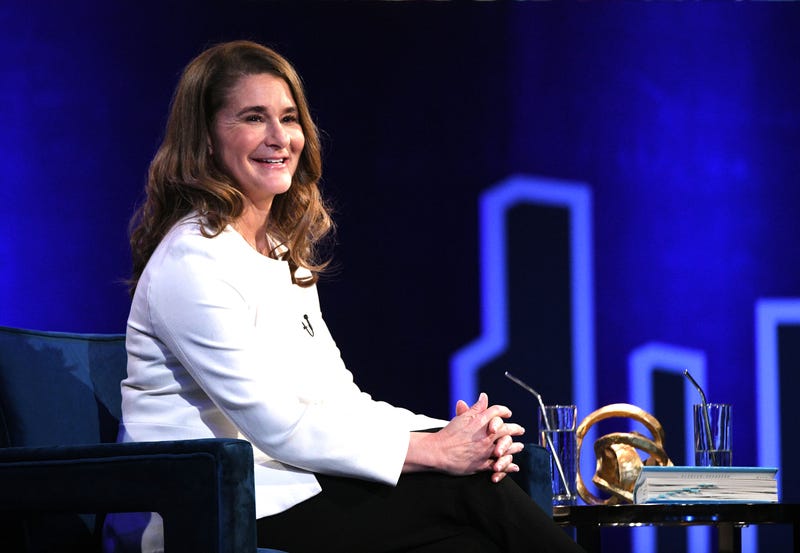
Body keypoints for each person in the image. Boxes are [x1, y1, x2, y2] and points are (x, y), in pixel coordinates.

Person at [108, 40, 584, 553]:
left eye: (289, 118)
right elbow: (278, 426)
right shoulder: (192, 260)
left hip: (300, 486)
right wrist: (435, 451)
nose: (279, 138)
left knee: (471, 539)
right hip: (221, 510)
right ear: (204, 139)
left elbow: (339, 400)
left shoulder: (278, 253)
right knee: (473, 495)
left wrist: (455, 432)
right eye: (253, 117)